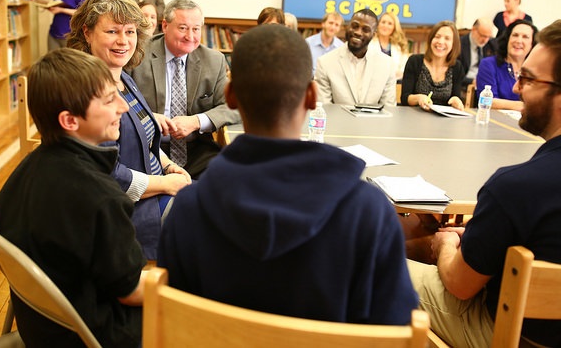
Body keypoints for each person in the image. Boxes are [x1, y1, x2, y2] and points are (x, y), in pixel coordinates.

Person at [157, 24, 418, 325]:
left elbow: (177, 326)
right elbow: (394, 331)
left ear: (230, 96)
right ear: (311, 96)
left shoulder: (188, 211)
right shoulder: (369, 212)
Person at [407, 20, 561, 348]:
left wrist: (446, 245)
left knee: (375, 263)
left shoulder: (515, 187)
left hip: (511, 335)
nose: (517, 88)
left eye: (528, 79)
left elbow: (460, 284)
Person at [0, 48, 147, 346]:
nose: (123, 107)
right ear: (69, 120)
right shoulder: (101, 198)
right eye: (108, 99)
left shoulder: (22, 174)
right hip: (93, 334)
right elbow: (130, 292)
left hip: (42, 327)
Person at [67, 0, 191, 260]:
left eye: (130, 31)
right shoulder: (87, 92)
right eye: (112, 32)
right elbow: (110, 176)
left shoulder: (124, 78)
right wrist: (166, 184)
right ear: (87, 33)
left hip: (153, 190)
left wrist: (169, 165)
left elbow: (144, 139)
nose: (123, 41)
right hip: (127, 213)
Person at [130, 0, 240, 179]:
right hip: (148, 147)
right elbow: (121, 102)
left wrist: (197, 121)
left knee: (227, 178)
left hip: (196, 149)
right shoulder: (138, 55)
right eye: (183, 28)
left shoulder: (213, 60)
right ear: (165, 26)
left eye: (196, 29)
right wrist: (149, 119)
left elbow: (233, 106)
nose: (190, 36)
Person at [315, 9, 396, 106]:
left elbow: (388, 109)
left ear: (373, 35)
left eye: (365, 29)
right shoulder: (325, 62)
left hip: (373, 121)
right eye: (355, 26)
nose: (358, 32)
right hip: (337, 121)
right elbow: (323, 108)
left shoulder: (387, 64)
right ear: (347, 27)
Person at [401, 20, 464, 111]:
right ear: (431, 39)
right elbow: (404, 98)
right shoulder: (415, 61)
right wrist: (419, 98)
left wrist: (456, 100)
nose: (441, 42)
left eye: (447, 38)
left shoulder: (457, 67)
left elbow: (455, 96)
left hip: (444, 121)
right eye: (437, 37)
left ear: (454, 44)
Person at [476, 19, 538, 111]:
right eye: (515, 35)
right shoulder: (488, 64)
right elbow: (488, 101)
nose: (519, 40)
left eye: (525, 37)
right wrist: (525, 106)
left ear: (532, 44)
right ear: (507, 39)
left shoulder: (536, 70)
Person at [368, 11, 410, 80]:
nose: (385, 26)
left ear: (394, 27)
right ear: (378, 24)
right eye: (383, 22)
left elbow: (403, 70)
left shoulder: (399, 47)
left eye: (390, 24)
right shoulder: (369, 44)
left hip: (395, 84)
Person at [458, 18, 497, 88]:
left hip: (485, 84)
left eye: (488, 37)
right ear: (473, 30)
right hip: (465, 84)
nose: (485, 40)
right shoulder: (459, 44)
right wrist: (472, 81)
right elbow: (456, 74)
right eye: (483, 36)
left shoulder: (492, 45)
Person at [305, 11, 344, 76]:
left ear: (339, 28)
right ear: (323, 24)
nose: (333, 27)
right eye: (330, 23)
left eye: (336, 25)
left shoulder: (342, 48)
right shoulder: (308, 43)